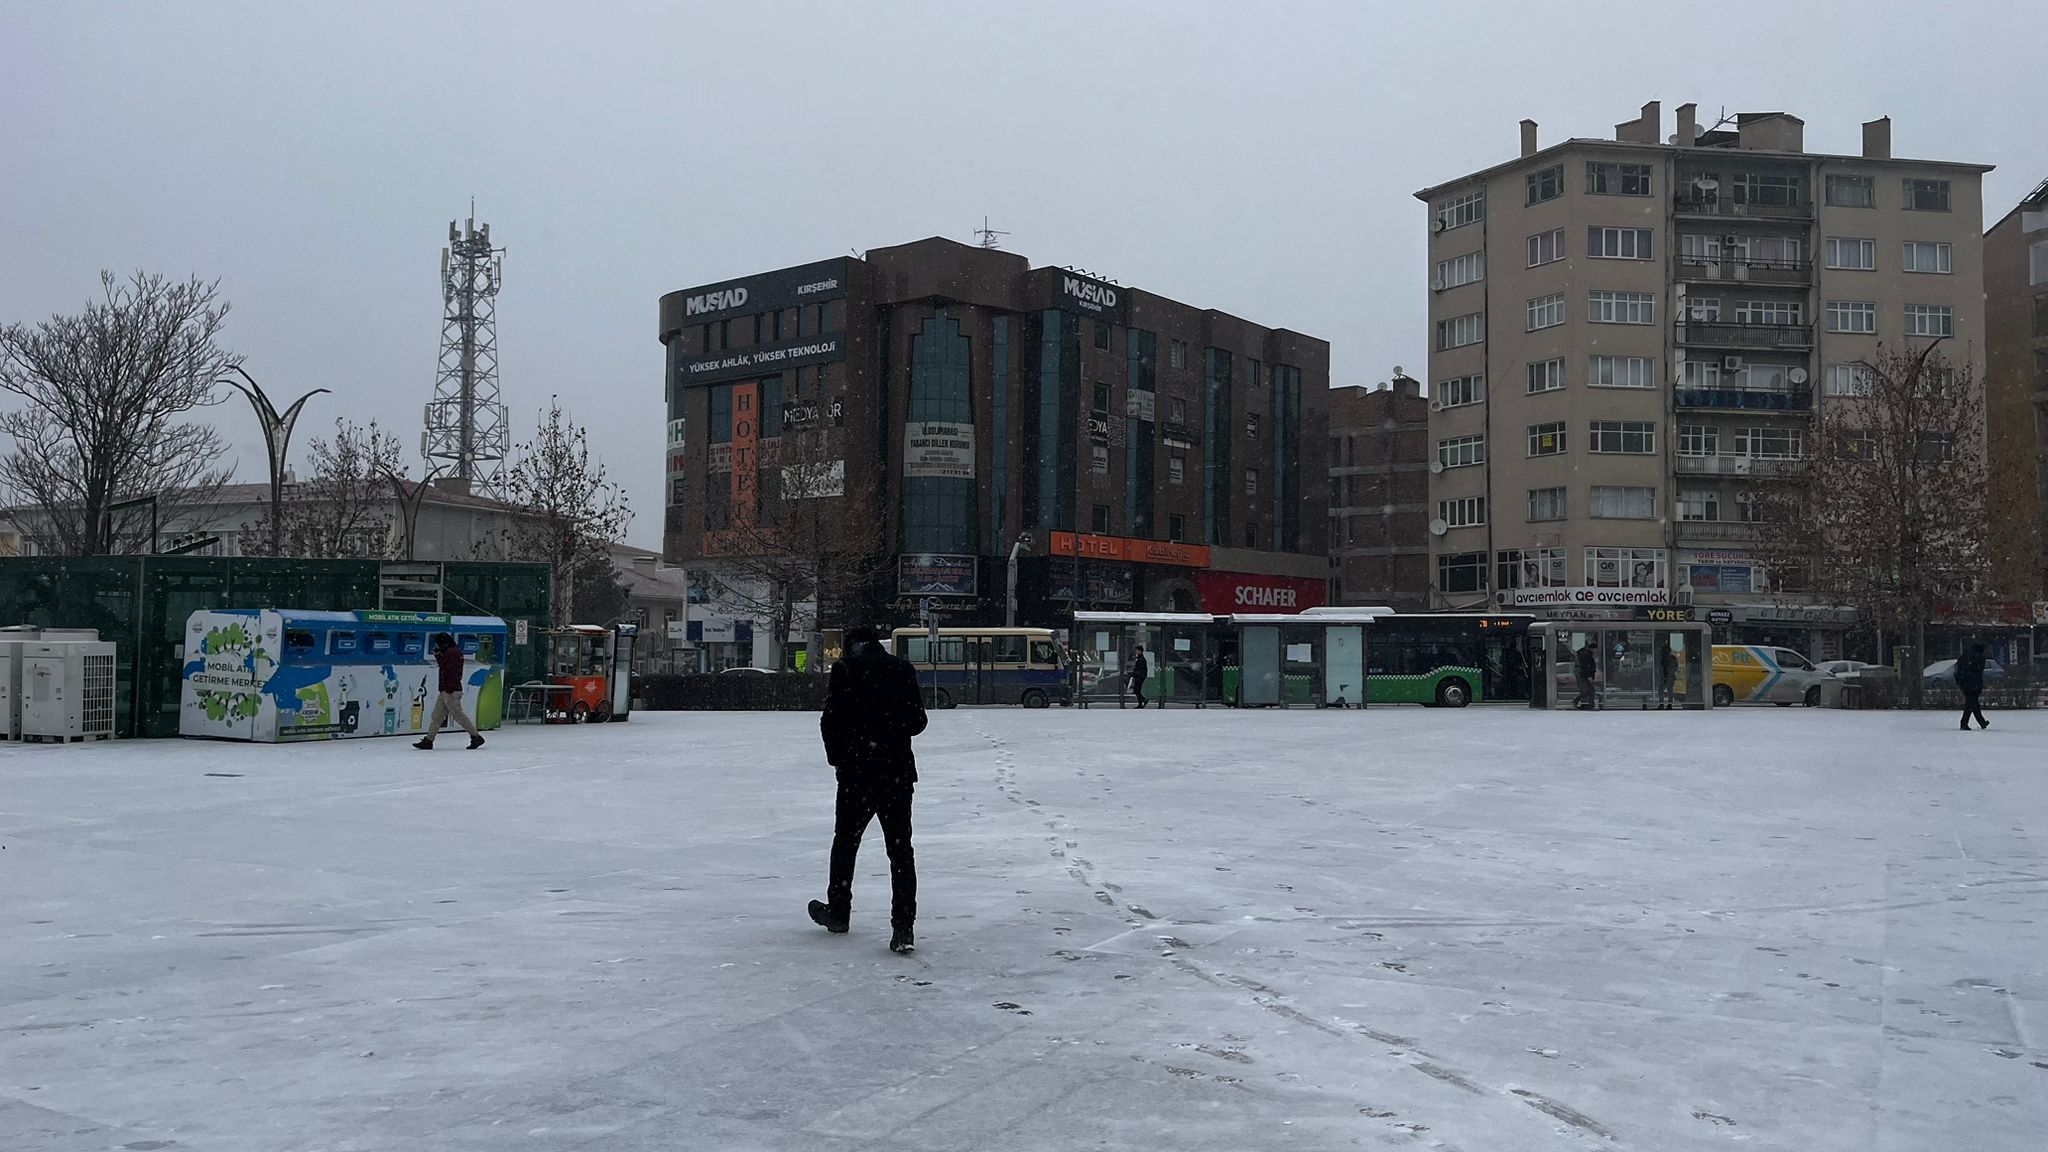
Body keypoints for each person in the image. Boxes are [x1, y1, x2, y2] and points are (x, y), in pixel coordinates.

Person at [810, 624, 928, 954]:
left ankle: (839, 911)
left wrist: (838, 759)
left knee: (846, 843)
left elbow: (830, 720)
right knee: (901, 851)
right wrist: (891, 727)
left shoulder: (845, 670)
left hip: (857, 775)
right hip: (896, 774)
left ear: (852, 645)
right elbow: (918, 721)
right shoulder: (902, 669)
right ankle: (903, 928)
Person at [413, 633, 484, 750]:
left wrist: (449, 688)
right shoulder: (451, 652)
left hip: (450, 691)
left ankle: (476, 736)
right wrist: (439, 656)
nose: (437, 646)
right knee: (437, 716)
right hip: (446, 690)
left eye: (438, 644)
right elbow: (446, 667)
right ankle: (429, 740)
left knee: (458, 715)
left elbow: (450, 671)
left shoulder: (452, 653)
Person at [1955, 642, 1990, 731]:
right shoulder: (1978, 658)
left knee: (1971, 704)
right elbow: (1978, 671)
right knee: (1972, 704)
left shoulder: (1965, 657)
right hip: (1973, 684)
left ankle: (1980, 722)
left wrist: (1960, 681)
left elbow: (1958, 669)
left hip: (1965, 684)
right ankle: (1965, 723)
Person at [1573, 637, 1599, 710]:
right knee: (1589, 690)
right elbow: (1587, 666)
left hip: (1584, 675)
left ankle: (1587, 704)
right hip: (1585, 676)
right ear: (1593, 649)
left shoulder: (1584, 654)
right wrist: (1589, 676)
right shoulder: (1588, 655)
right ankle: (1589, 704)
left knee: (1588, 690)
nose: (1596, 651)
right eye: (1595, 649)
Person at [1127, 644, 1151, 709]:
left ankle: (1143, 701)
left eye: (1137, 650)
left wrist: (1135, 674)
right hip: (1139, 676)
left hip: (1140, 677)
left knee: (1137, 690)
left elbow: (1141, 670)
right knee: (1137, 690)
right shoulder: (1140, 658)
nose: (1136, 652)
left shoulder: (1141, 659)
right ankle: (1142, 702)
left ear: (1140, 651)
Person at [1657, 644, 1678, 710]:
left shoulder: (1664, 658)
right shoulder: (1673, 658)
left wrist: (1665, 676)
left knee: (1661, 690)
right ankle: (1669, 705)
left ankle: (1662, 704)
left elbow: (1664, 668)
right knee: (1670, 690)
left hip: (1666, 677)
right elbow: (1675, 667)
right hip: (1670, 677)